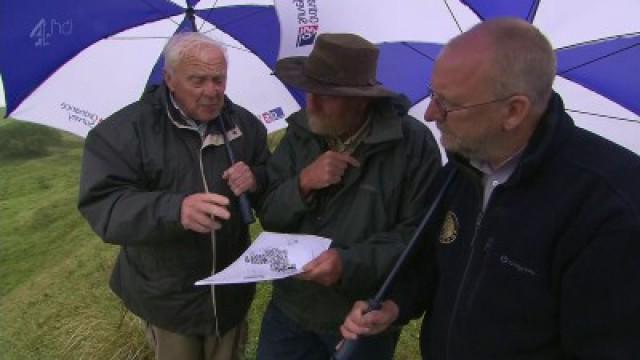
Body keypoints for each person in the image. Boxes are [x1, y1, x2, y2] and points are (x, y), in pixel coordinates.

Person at [340, 17, 640, 359]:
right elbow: (433, 264)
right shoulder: (461, 168)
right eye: (434, 93)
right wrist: (395, 304)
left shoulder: (609, 205)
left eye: (448, 103)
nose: (429, 113)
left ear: (513, 111)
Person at [78, 32, 270, 360]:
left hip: (231, 295)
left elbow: (270, 180)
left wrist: (256, 178)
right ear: (169, 79)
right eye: (198, 80)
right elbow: (104, 206)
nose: (212, 91)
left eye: (218, 79)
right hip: (168, 299)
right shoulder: (124, 132)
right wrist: (175, 210)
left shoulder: (246, 126)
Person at [255, 33, 442, 359]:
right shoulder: (301, 132)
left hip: (360, 318)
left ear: (360, 100)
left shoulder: (412, 146)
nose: (311, 103)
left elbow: (417, 239)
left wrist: (347, 264)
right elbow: (269, 213)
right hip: (291, 308)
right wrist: (302, 184)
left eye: (326, 95)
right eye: (310, 90)